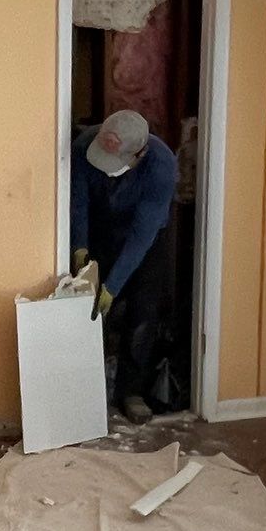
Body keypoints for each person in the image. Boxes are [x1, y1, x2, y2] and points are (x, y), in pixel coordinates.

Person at [69, 109, 179, 422]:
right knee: (88, 312)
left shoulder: (161, 165)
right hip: (101, 233)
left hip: (145, 240)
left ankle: (131, 392)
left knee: (142, 313)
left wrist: (112, 286)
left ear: (139, 153)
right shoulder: (83, 146)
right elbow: (78, 202)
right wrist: (80, 248)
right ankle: (86, 391)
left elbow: (142, 234)